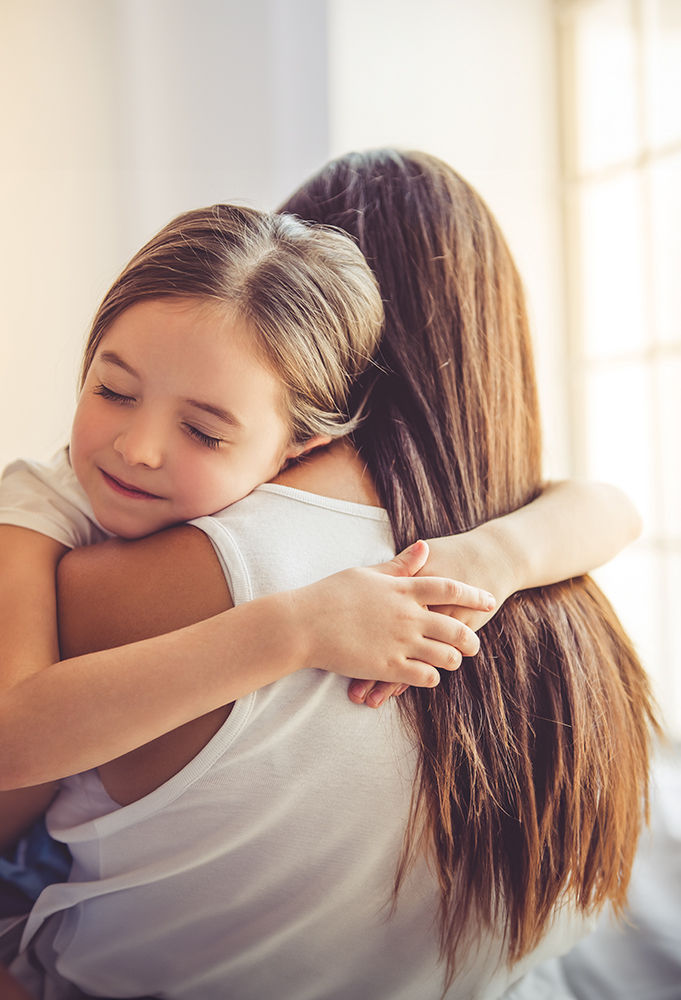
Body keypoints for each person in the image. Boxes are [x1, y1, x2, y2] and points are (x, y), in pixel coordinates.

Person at [1, 152, 654, 998]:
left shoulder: (123, 582)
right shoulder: (573, 622)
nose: (138, 448)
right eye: (113, 389)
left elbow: (613, 506)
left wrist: (488, 560)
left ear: (314, 416)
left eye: (206, 428)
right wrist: (297, 625)